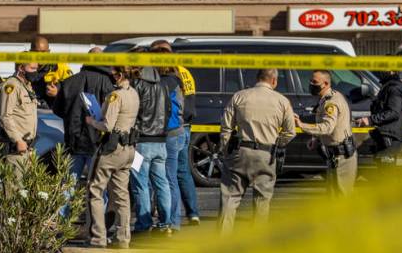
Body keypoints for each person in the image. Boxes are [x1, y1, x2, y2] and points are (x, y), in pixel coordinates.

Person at [217, 69, 296, 233]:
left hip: (241, 151)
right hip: (265, 155)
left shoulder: (239, 96)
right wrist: (276, 143)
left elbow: (226, 128)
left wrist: (226, 151)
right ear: (274, 81)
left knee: (230, 198)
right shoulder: (282, 101)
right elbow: (290, 132)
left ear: (257, 78)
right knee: (262, 200)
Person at [85, 66, 140, 248]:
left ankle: (98, 237)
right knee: (121, 195)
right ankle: (124, 238)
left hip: (112, 148)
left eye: (112, 73)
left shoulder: (116, 96)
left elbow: (107, 125)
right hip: (128, 149)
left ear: (120, 75)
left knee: (95, 190)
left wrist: (92, 121)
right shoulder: (133, 93)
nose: (110, 76)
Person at [149, 40, 201, 228]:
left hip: (172, 128)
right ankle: (193, 212)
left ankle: (171, 221)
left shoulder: (164, 74)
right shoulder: (183, 72)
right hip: (184, 127)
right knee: (183, 172)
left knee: (169, 176)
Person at [51, 58, 116, 184]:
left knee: (68, 186)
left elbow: (57, 109)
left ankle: (66, 204)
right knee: (98, 187)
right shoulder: (108, 83)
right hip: (98, 143)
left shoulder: (69, 82)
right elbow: (112, 114)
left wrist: (70, 117)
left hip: (73, 141)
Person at [296, 70, 358, 197]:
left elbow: (327, 127)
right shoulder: (327, 98)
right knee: (333, 196)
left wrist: (302, 125)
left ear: (325, 83)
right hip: (334, 155)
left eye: (314, 82)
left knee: (342, 197)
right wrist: (317, 139)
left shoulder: (331, 102)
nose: (311, 84)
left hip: (342, 156)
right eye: (310, 81)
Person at [131, 63, 172, 234]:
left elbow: (134, 112)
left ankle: (143, 224)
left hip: (141, 142)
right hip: (161, 142)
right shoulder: (163, 86)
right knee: (162, 184)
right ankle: (165, 223)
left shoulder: (137, 85)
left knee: (140, 185)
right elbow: (169, 110)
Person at [355, 70, 402, 163]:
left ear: (392, 71)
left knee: (386, 172)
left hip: (390, 138)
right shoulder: (389, 86)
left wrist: (370, 120)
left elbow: (394, 112)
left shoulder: (394, 88)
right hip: (386, 137)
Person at [0, 62, 39, 178]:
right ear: (21, 68)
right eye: (32, 68)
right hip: (15, 148)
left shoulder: (27, 86)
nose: (35, 71)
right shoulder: (11, 86)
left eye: (36, 68)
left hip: (27, 148)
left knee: (24, 191)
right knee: (13, 190)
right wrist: (18, 140)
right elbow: (5, 116)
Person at [28, 35, 73, 108]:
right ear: (30, 52)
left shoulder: (59, 66)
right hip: (28, 111)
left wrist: (57, 91)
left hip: (52, 112)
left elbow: (72, 88)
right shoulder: (23, 66)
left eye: (43, 52)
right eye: (36, 52)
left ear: (48, 52)